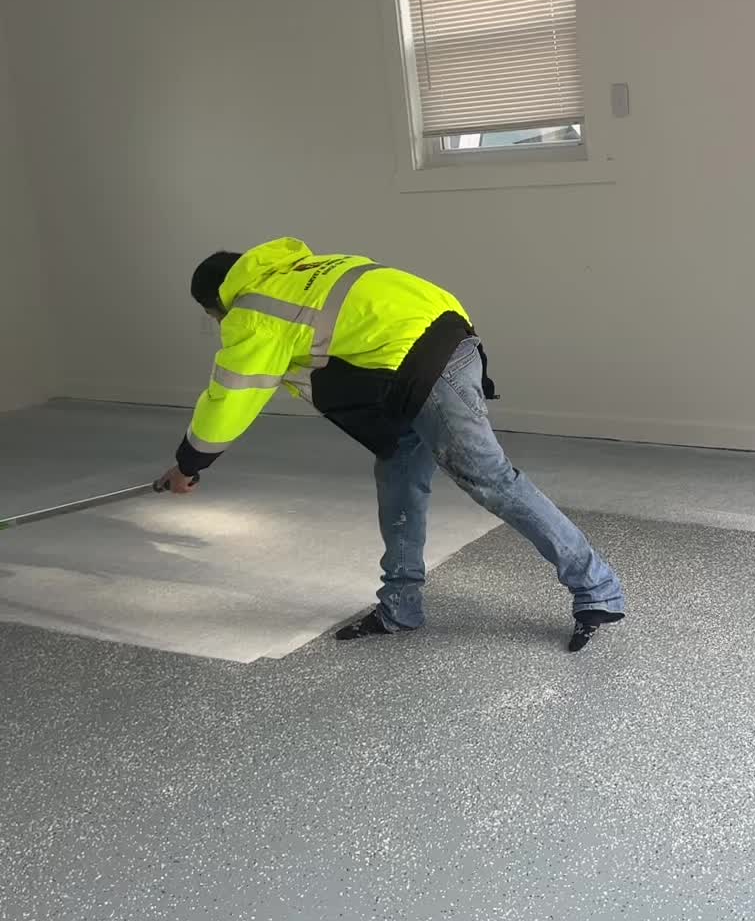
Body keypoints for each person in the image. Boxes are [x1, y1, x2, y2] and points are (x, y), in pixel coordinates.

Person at [154, 238, 625, 653]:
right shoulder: (306, 269)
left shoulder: (254, 312)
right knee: (398, 473)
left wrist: (189, 464)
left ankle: (597, 589)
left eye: (212, 315)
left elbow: (230, 398)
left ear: (215, 303)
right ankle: (400, 606)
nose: (217, 321)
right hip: (437, 348)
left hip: (424, 368)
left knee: (491, 480)